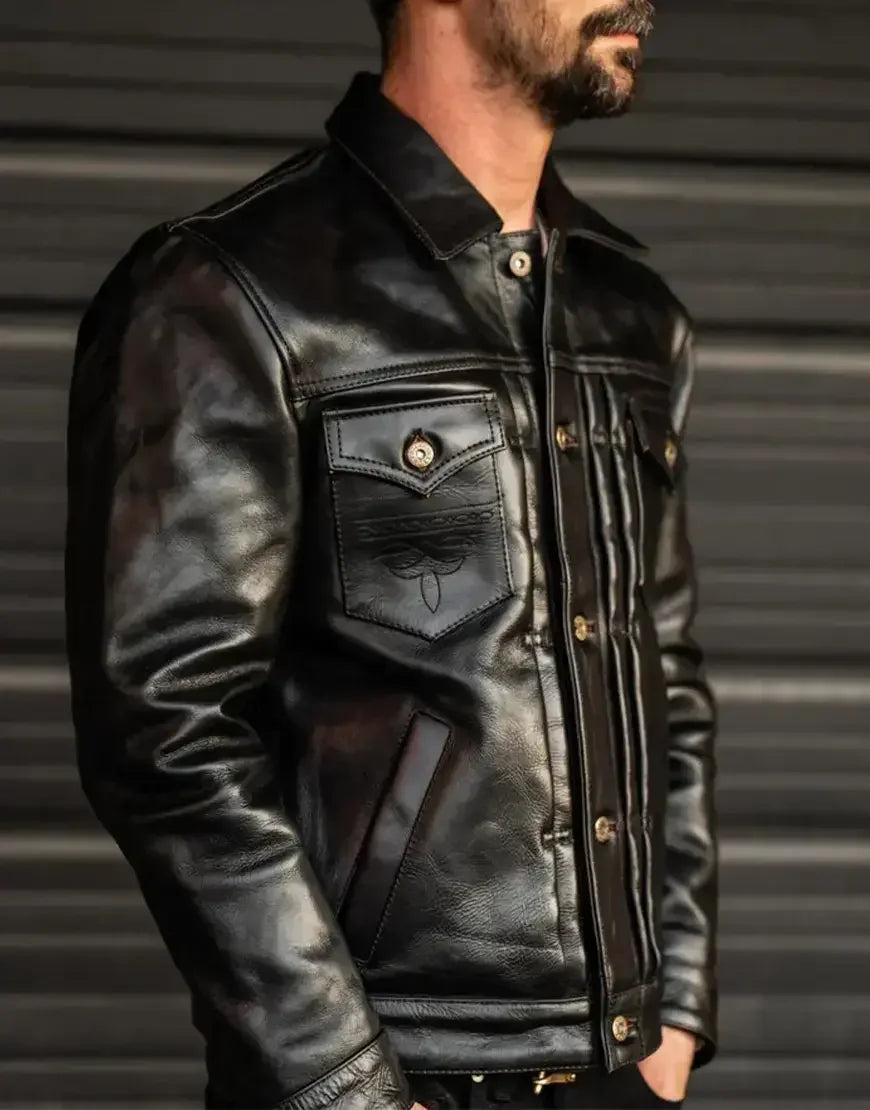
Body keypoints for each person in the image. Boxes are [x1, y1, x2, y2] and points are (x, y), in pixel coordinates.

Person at [63, 0, 719, 1107]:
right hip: (393, 1071)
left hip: (621, 1059)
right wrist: (342, 1079)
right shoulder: (231, 292)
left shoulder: (634, 314)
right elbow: (165, 730)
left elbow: (669, 675)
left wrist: (679, 1002)